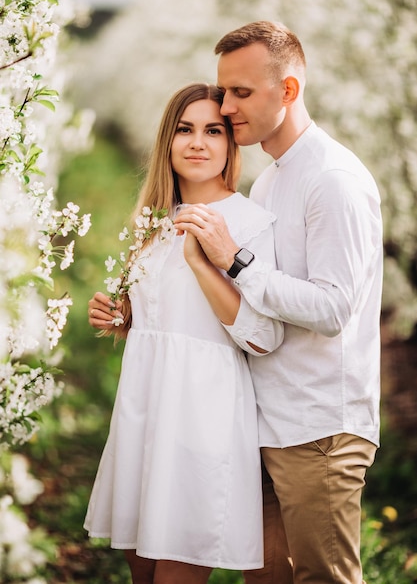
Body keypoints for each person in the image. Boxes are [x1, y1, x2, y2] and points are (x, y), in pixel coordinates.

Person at [174, 22, 383, 584]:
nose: (225, 105)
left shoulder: (333, 180)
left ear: (288, 91)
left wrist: (236, 259)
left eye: (241, 92)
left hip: (319, 431)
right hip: (265, 424)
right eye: (224, 91)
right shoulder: (268, 183)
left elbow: (334, 308)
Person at [84, 82, 284, 584]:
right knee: (142, 569)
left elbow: (262, 336)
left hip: (202, 416)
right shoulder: (153, 222)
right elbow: (167, 322)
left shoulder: (251, 224)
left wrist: (203, 262)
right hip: (144, 409)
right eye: (185, 130)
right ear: (167, 142)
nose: (198, 142)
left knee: (176, 570)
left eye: (213, 131)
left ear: (230, 143)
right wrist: (123, 318)